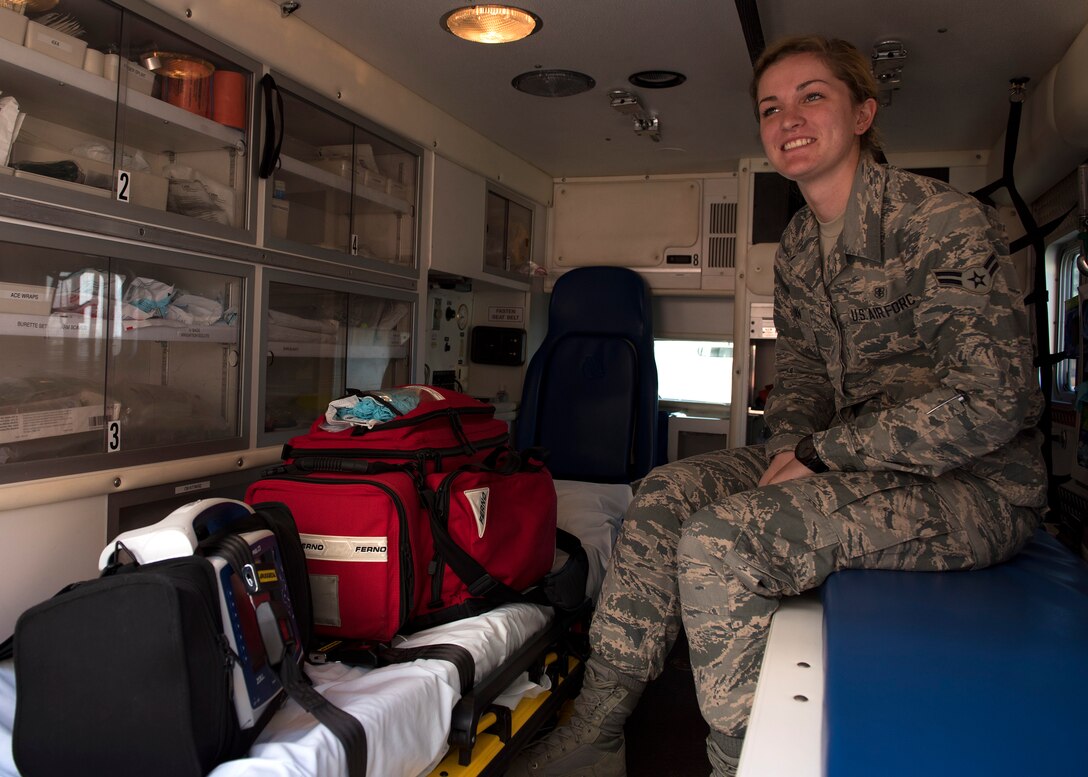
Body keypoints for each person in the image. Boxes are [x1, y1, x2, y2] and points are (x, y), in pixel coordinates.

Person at [506, 33, 1046, 777]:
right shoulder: (797, 246)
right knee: (663, 494)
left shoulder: (935, 221)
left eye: (811, 96)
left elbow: (994, 402)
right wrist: (793, 447)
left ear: (862, 112)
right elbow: (800, 376)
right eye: (771, 106)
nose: (788, 117)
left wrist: (824, 454)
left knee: (722, 540)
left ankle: (743, 763)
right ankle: (597, 730)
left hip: (972, 485)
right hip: (852, 462)